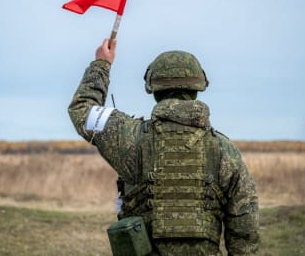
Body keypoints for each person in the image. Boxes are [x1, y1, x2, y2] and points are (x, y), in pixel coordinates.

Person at [68, 38, 260, 256]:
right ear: (198, 89)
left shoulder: (130, 137)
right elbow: (245, 227)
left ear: (153, 89)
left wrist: (101, 64)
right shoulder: (225, 151)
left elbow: (82, 109)